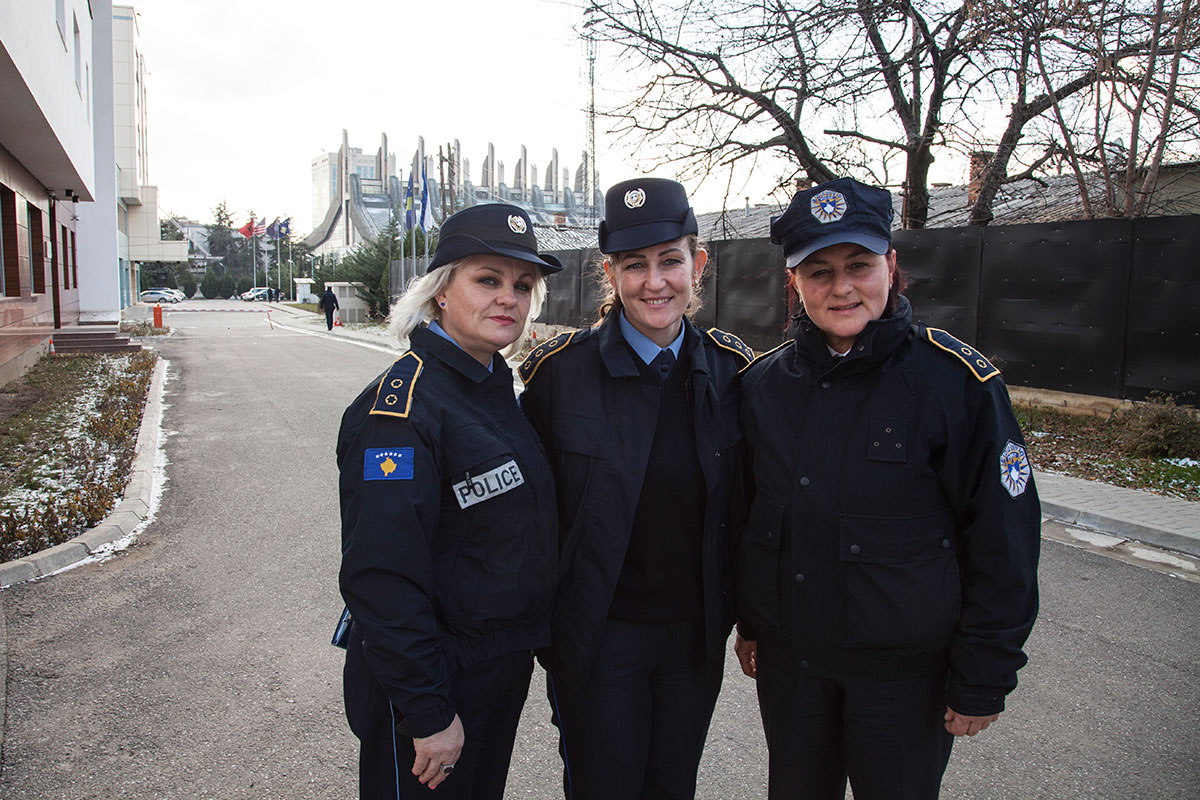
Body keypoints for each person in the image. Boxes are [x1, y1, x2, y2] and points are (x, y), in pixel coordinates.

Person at [735, 177, 1041, 799]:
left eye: (858, 265)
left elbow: (1003, 537)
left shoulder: (956, 384)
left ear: (892, 265)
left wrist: (984, 671)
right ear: (793, 282)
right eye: (818, 271)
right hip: (795, 670)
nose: (841, 287)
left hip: (905, 680)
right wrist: (754, 623)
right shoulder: (764, 385)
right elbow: (755, 520)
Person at [520, 178, 753, 800]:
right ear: (610, 274)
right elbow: (525, 517)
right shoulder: (558, 377)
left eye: (670, 261)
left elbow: (753, 510)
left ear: (697, 264)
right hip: (597, 639)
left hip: (693, 640)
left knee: (673, 787)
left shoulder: (734, 374)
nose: (656, 282)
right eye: (635, 265)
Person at [337, 203, 563, 799]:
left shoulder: (493, 389)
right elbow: (382, 577)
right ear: (441, 292)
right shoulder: (402, 411)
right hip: (433, 686)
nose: (508, 299)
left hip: (494, 670)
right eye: (487, 280)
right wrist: (428, 711)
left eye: (522, 285)